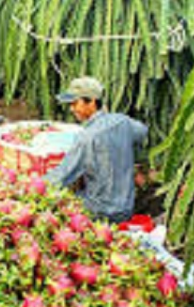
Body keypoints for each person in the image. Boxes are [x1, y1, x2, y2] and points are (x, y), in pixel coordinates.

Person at [44, 77, 148, 223]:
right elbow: (143, 132)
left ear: (92, 102)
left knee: (60, 202)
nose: (71, 109)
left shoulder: (87, 137)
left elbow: (62, 176)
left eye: (75, 103)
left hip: (99, 211)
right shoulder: (123, 121)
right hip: (126, 207)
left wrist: (31, 185)